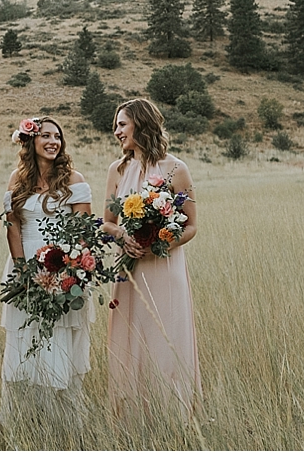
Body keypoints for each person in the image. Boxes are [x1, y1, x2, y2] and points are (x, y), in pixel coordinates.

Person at [100, 99, 203, 421]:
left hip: (164, 268)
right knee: (131, 341)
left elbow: (192, 225)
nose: (116, 131)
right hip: (130, 272)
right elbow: (106, 223)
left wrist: (160, 241)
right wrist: (124, 237)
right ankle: (132, 418)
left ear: (141, 125)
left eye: (122, 124)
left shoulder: (176, 169)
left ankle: (173, 417)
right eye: (116, 125)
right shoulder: (116, 170)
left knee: (166, 339)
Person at [0, 116, 94, 428]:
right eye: (45, 135)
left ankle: (63, 423)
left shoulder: (74, 180)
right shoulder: (17, 179)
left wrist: (68, 270)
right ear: (31, 141)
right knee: (25, 340)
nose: (53, 141)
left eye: (58, 136)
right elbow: (12, 226)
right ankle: (27, 422)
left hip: (63, 268)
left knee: (59, 341)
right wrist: (23, 269)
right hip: (25, 266)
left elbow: (83, 232)